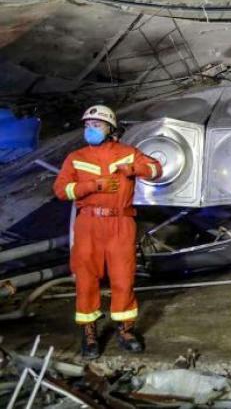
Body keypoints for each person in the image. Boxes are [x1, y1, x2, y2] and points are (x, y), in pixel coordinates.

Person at [53, 105, 162, 360]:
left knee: (123, 278)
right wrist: (92, 185)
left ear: (111, 129)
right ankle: (90, 334)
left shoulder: (127, 153)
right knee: (86, 278)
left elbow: (157, 169)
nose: (90, 130)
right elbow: (60, 190)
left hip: (120, 224)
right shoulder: (76, 157)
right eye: (87, 126)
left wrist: (135, 169)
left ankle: (125, 331)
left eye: (97, 125)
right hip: (88, 224)